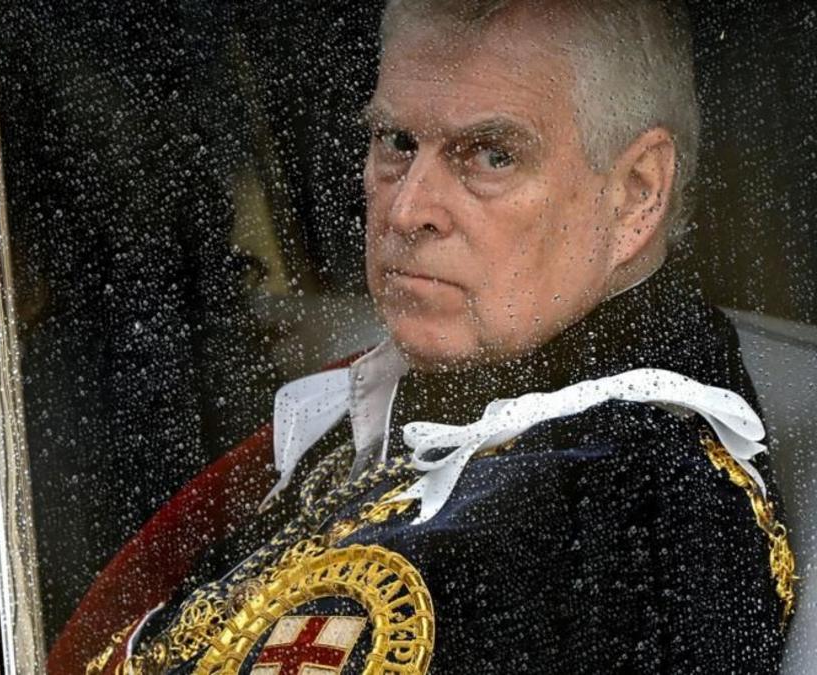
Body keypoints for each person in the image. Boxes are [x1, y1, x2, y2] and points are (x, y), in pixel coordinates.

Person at [67, 1, 796, 672]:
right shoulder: (415, 407)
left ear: (638, 190)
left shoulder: (640, 520)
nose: (408, 208)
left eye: (490, 154)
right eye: (396, 141)